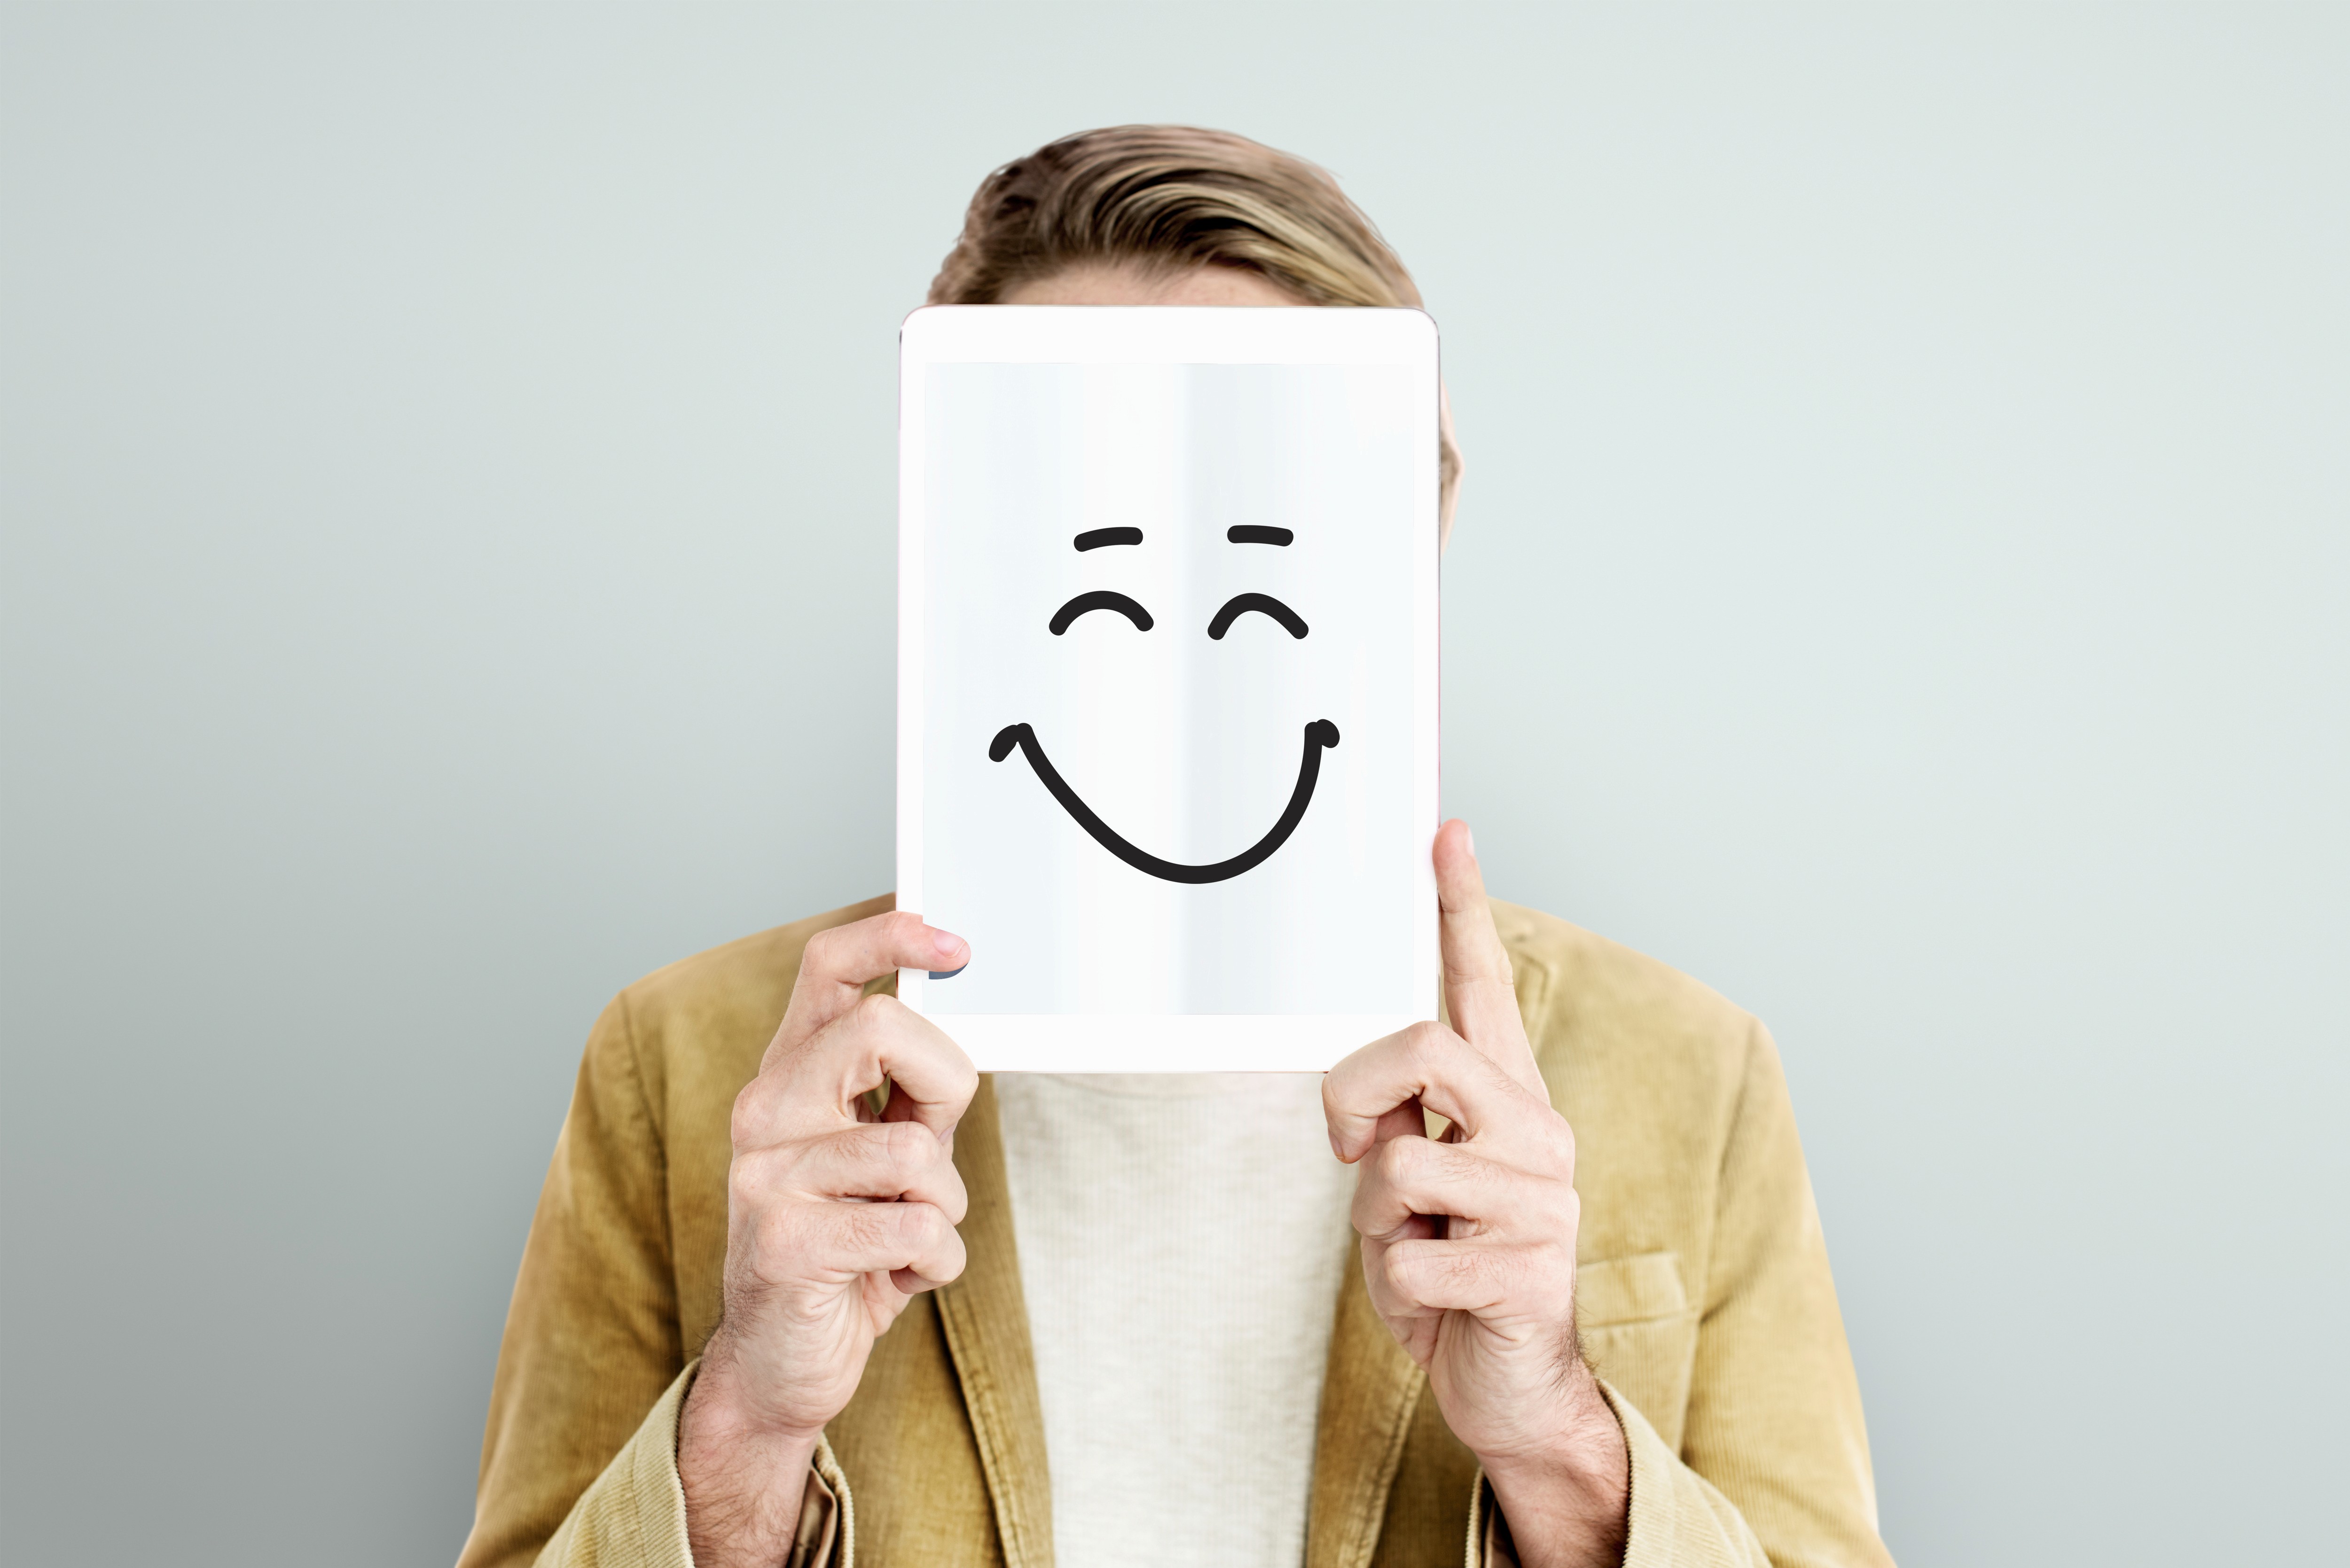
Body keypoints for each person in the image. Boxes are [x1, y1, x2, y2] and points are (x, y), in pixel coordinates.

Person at [457, 125, 1895, 1568]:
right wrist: (746, 1430)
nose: (1170, 640)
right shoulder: (681, 1067)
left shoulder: (1693, 1078)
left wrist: (1563, 1449)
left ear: (1413, 531)